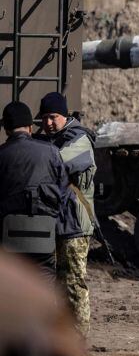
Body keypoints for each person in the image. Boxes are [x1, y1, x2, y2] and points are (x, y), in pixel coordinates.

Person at [35, 92, 95, 335]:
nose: (48, 123)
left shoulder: (79, 139)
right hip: (53, 222)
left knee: (73, 284)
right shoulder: (48, 141)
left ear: (65, 115)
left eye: (53, 117)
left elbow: (55, 165)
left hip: (74, 225)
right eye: (44, 119)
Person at [0, 101, 79, 280]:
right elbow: (65, 195)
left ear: (6, 129)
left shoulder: (2, 154)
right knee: (44, 283)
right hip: (44, 234)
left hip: (8, 237)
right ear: (30, 127)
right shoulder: (51, 152)